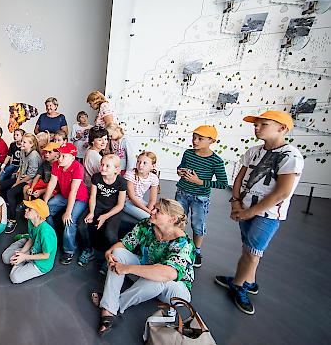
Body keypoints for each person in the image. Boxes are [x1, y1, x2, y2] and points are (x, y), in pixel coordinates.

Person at [215, 111, 303, 316]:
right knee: (248, 248)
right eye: (256, 124)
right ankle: (250, 281)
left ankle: (238, 285)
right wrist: (236, 202)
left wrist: (250, 212)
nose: (256, 128)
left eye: (263, 124)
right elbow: (239, 178)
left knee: (253, 253)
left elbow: (282, 192)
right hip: (244, 208)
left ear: (282, 128)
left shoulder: (291, 156)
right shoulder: (253, 151)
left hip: (267, 215)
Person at [90, 199, 194, 336]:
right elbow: (125, 244)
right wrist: (110, 252)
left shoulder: (183, 243)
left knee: (158, 278)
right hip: (147, 269)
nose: (152, 211)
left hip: (175, 290)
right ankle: (109, 308)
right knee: (118, 254)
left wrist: (127, 268)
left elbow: (168, 274)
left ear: (172, 219)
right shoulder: (148, 224)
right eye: (154, 208)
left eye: (158, 211)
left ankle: (114, 304)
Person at [175, 125, 229, 268]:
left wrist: (199, 182)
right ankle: (176, 246)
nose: (195, 141)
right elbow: (180, 167)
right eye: (194, 137)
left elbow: (223, 184)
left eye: (200, 138)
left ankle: (196, 252)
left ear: (212, 141)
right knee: (177, 220)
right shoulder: (188, 153)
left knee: (197, 225)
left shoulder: (216, 161)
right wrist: (180, 171)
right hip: (182, 192)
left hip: (200, 198)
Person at [42, 143, 90, 265]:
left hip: (79, 198)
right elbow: (52, 183)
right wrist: (44, 202)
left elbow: (74, 192)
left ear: (72, 157)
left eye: (64, 156)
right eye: (60, 155)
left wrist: (68, 212)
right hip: (64, 196)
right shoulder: (56, 164)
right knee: (45, 210)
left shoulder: (78, 167)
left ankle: (69, 250)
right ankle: (54, 236)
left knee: (70, 220)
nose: (60, 159)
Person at [78, 155, 127, 267]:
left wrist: (105, 216)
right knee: (81, 224)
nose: (103, 168)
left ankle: (111, 257)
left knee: (110, 234)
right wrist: (91, 212)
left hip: (113, 210)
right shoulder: (96, 177)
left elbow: (120, 205)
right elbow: (93, 197)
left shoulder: (121, 182)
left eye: (107, 166)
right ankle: (88, 250)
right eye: (102, 164)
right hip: (98, 206)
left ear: (116, 170)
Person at [1, 198, 57, 284]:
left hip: (41, 263)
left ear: (38, 215)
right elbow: (31, 240)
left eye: (30, 209)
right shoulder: (31, 221)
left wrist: (23, 257)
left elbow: (45, 256)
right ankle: (23, 239)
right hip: (32, 249)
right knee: (5, 257)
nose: (26, 209)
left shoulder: (46, 233)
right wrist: (20, 254)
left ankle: (23, 241)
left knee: (14, 277)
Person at [3, 133, 42, 233]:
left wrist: (17, 183)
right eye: (22, 141)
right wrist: (17, 181)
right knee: (1, 185)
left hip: (30, 181)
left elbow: (31, 175)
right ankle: (7, 207)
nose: (22, 143)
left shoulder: (34, 156)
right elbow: (21, 168)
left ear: (31, 144)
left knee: (10, 192)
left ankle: (13, 219)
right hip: (22, 178)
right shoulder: (22, 151)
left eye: (24, 142)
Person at [123, 151, 160, 220]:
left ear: (153, 166)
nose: (140, 165)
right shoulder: (130, 174)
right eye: (138, 161)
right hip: (126, 202)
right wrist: (149, 212)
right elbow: (132, 197)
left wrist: (150, 209)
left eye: (144, 163)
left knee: (159, 215)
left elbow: (152, 199)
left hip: (139, 201)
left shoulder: (153, 178)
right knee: (148, 217)